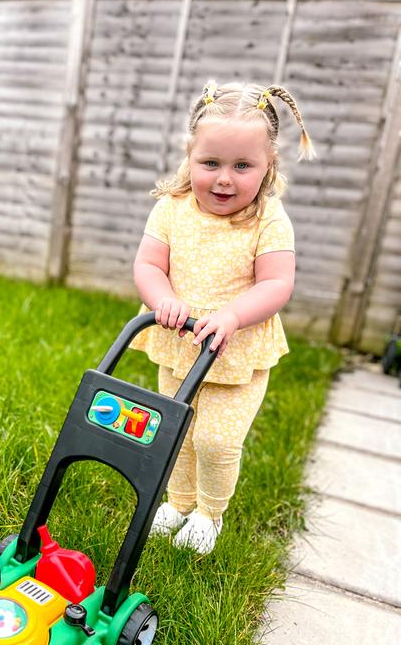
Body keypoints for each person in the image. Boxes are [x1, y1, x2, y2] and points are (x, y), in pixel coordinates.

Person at [131, 80, 314, 555]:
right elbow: (149, 265)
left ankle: (209, 514)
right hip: (179, 344)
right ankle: (177, 501)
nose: (224, 179)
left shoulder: (269, 219)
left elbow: (277, 283)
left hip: (235, 355)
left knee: (215, 440)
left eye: (242, 166)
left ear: (268, 164)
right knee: (176, 431)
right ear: (189, 155)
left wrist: (233, 315)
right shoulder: (171, 209)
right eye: (210, 163)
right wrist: (163, 298)